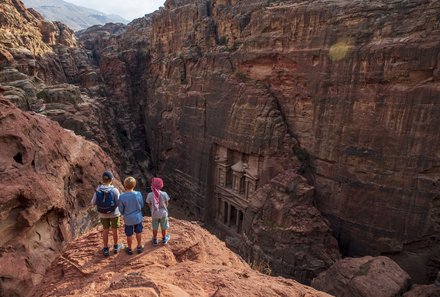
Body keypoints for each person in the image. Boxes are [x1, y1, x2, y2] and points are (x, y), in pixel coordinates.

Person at [91, 171, 123, 256]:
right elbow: (118, 202)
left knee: (105, 230)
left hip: (103, 214)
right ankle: (116, 246)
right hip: (114, 213)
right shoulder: (114, 190)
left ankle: (105, 248)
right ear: (111, 180)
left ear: (103, 179)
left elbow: (93, 202)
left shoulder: (98, 190)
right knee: (114, 229)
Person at [118, 176, 144, 255]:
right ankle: (139, 247)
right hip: (137, 217)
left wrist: (124, 213)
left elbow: (121, 209)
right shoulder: (138, 194)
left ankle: (129, 249)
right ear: (134, 185)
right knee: (138, 232)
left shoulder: (122, 196)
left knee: (129, 234)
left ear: (125, 185)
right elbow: (142, 205)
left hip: (128, 219)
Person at [146, 177, 171, 245]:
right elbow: (166, 203)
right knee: (164, 227)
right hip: (163, 213)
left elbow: (149, 204)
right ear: (161, 186)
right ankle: (164, 239)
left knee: (155, 227)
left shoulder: (150, 194)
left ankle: (154, 239)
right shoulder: (164, 194)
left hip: (155, 213)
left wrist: (153, 208)